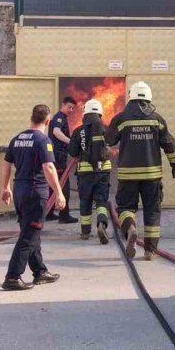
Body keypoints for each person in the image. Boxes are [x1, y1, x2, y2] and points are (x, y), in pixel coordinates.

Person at [105, 81, 175, 261]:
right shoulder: (157, 119)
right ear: (148, 97)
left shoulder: (121, 119)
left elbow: (109, 139)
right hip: (152, 175)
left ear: (131, 96)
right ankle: (150, 251)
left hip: (127, 174)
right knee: (152, 211)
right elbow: (169, 144)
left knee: (125, 207)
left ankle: (130, 227)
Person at [0, 104, 67, 291]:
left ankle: (39, 271)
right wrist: (59, 193)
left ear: (32, 118)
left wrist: (5, 188)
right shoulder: (43, 140)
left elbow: (6, 165)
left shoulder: (17, 138)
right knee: (29, 234)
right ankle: (13, 276)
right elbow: (49, 167)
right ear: (47, 121)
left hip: (20, 190)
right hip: (35, 192)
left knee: (31, 232)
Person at [67, 99, 112, 244]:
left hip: (85, 173)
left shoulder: (78, 130)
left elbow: (73, 152)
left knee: (85, 201)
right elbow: (110, 147)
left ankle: (85, 232)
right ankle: (101, 223)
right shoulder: (106, 128)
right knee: (101, 200)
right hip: (103, 171)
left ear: (85, 113)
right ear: (100, 113)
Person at [48, 97, 78, 224]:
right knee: (63, 184)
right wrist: (71, 142)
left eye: (72, 108)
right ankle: (64, 215)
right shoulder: (59, 117)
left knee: (52, 183)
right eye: (69, 107)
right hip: (58, 156)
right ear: (63, 104)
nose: (71, 110)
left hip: (56, 155)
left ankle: (48, 213)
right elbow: (56, 132)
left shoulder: (61, 118)